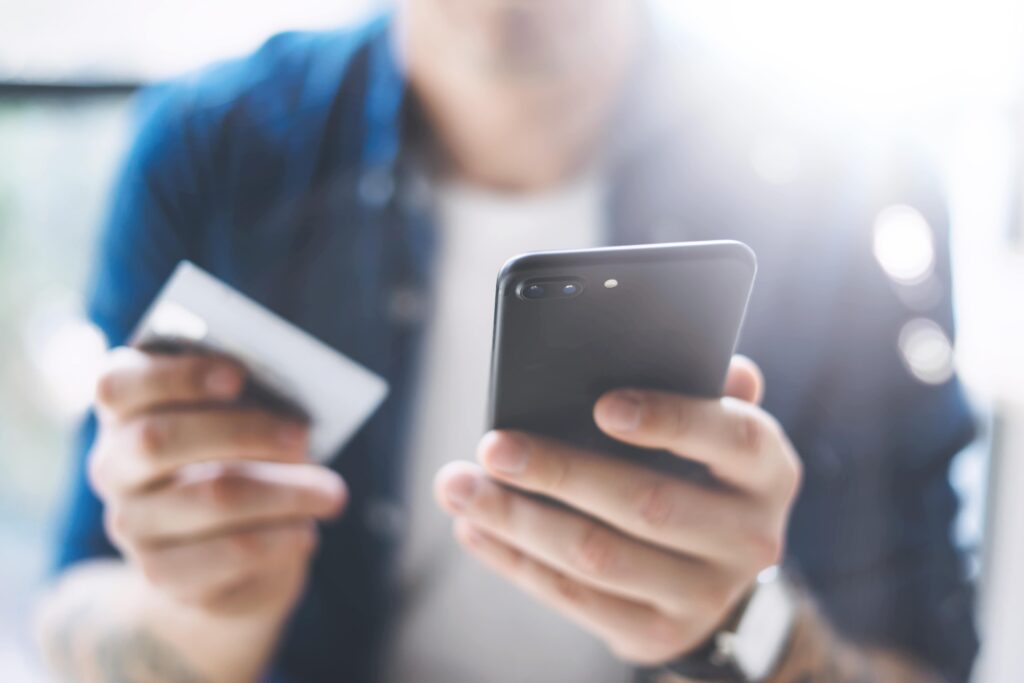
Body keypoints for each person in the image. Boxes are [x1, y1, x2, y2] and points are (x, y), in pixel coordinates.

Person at [35, 2, 979, 682]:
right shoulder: (208, 150)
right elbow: (74, 609)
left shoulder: (849, 179)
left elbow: (924, 658)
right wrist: (200, 618)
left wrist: (738, 624)